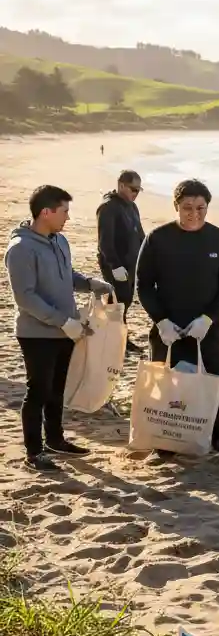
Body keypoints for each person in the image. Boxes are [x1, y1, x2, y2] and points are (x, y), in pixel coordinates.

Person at [4, 185, 112, 470]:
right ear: (46, 212)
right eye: (64, 211)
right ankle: (34, 452)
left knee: (57, 390)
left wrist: (89, 283)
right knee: (37, 391)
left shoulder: (60, 240)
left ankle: (55, 440)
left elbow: (67, 276)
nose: (68, 217)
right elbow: (25, 297)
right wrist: (63, 322)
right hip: (37, 333)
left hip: (67, 329)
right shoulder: (21, 249)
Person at [135, 179, 219, 456]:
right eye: (187, 207)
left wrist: (208, 318)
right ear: (176, 207)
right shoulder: (157, 238)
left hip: (207, 330)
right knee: (167, 383)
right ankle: (165, 440)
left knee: (211, 383)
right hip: (168, 330)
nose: (194, 213)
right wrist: (160, 321)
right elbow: (144, 284)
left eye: (200, 207)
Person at [96, 169, 146, 353]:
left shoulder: (132, 207)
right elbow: (104, 242)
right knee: (117, 301)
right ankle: (115, 340)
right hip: (114, 263)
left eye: (139, 190)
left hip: (131, 262)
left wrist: (147, 253)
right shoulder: (108, 208)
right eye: (133, 189)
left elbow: (140, 235)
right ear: (121, 185)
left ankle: (119, 338)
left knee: (125, 301)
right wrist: (115, 265)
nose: (136, 194)